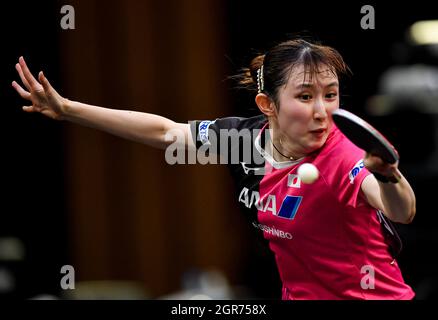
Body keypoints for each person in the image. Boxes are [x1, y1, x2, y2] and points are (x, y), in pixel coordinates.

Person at [12, 39, 416, 300]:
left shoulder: (341, 155)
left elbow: (400, 210)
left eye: (330, 95)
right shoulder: (243, 141)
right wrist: (67, 110)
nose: (321, 111)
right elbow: (166, 132)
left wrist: (389, 174)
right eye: (305, 96)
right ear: (267, 105)